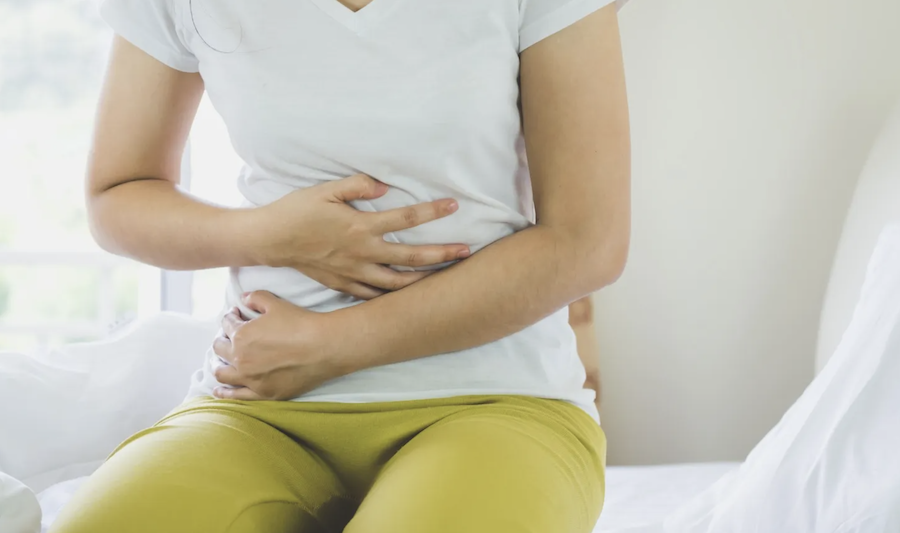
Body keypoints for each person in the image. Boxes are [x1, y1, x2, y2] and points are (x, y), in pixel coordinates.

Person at [50, 0, 630, 531]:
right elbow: (117, 196)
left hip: (497, 400)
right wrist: (269, 236)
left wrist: (332, 345)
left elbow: (588, 241)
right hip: (257, 407)